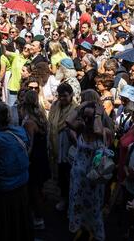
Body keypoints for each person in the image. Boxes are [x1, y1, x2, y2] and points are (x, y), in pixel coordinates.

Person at [0, 103, 34, 241]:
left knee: (2, 222)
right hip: (21, 183)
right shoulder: (20, 131)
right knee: (19, 219)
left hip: (2, 187)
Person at [66, 98, 111, 240]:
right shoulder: (81, 128)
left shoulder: (105, 131)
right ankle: (80, 229)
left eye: (89, 117)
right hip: (79, 175)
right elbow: (68, 121)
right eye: (85, 117)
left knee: (94, 207)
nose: (86, 119)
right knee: (77, 203)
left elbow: (97, 129)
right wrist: (82, 105)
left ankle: (93, 232)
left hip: (94, 178)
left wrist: (97, 114)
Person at [17, 89, 51, 229]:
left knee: (33, 189)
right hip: (41, 155)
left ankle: (38, 218)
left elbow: (30, 144)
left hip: (34, 159)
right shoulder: (41, 116)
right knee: (38, 188)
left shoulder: (29, 121)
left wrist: (25, 160)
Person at [47, 82, 76, 212]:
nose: (62, 99)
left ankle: (68, 200)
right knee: (60, 175)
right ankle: (63, 198)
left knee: (67, 175)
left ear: (71, 95)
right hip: (55, 145)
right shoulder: (55, 106)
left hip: (67, 147)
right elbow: (51, 123)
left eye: (65, 96)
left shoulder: (76, 109)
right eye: (60, 96)